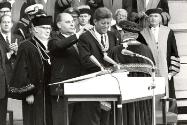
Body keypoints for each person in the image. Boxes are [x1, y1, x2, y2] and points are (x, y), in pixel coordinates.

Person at [77, 7, 119, 125]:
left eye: (108, 23)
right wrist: (101, 70)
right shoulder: (85, 37)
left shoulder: (112, 35)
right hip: (91, 83)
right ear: (94, 22)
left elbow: (114, 56)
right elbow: (85, 59)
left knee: (108, 115)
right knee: (93, 116)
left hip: (109, 83)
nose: (106, 26)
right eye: (103, 23)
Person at [9, 16, 53, 125]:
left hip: (50, 91)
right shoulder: (26, 46)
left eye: (49, 28)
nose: (47, 30)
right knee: (34, 120)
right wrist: (28, 93)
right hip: (34, 92)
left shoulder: (53, 44)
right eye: (44, 27)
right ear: (35, 29)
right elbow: (21, 70)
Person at [108, 20, 154, 125]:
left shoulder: (115, 50)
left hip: (123, 94)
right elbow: (153, 72)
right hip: (143, 95)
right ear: (136, 35)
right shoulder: (147, 50)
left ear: (124, 33)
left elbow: (108, 75)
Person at [140, 8, 180, 113]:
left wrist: (171, 72)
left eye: (156, 16)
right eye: (151, 16)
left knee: (168, 96)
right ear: (148, 19)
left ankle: (168, 120)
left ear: (160, 19)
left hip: (165, 71)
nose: (153, 18)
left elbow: (174, 52)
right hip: (149, 73)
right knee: (150, 97)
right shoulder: (142, 33)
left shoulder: (168, 32)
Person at [48, 12, 85, 125]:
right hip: (62, 88)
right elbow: (60, 46)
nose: (72, 24)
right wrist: (77, 35)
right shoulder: (54, 40)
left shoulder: (80, 41)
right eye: (68, 22)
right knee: (62, 121)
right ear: (59, 25)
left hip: (80, 86)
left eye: (73, 21)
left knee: (78, 121)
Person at [0, 14, 22, 125]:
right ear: (0, 24)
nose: (6, 24)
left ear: (12, 24)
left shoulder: (18, 38)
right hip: (2, 79)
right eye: (4, 22)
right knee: (2, 109)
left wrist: (18, 51)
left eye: (8, 22)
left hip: (16, 77)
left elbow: (24, 58)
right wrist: (10, 53)